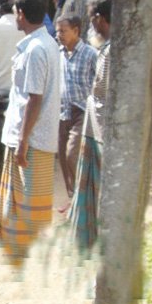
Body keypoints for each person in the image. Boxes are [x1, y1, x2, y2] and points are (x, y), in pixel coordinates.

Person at [0, 0, 61, 265]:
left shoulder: (36, 50)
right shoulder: (45, 44)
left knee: (28, 200)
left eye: (15, 14)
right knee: (25, 198)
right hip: (32, 136)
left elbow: (33, 99)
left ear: (21, 14)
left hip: (31, 139)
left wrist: (22, 143)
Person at [70, 0, 112, 251]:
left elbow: (103, 93)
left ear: (100, 19)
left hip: (100, 132)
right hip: (96, 129)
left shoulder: (108, 53)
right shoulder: (107, 49)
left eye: (91, 19)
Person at [56, 16, 97, 198]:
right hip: (62, 111)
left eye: (63, 31)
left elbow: (101, 83)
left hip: (82, 112)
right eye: (57, 31)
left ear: (76, 30)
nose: (59, 35)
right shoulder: (58, 54)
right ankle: (72, 197)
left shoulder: (90, 54)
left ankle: (84, 195)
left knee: (72, 153)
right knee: (63, 158)